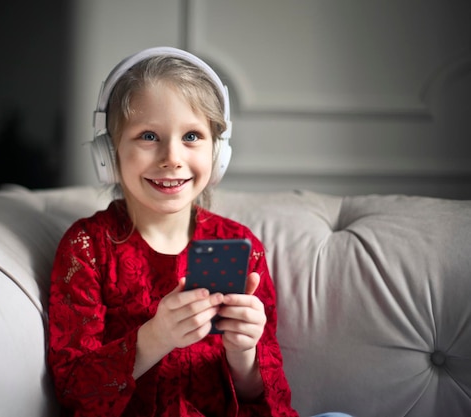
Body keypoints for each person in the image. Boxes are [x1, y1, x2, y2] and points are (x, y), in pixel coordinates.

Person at [47, 47, 350, 417]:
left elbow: (264, 396)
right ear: (109, 154)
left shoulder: (241, 246)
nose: (171, 157)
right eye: (148, 136)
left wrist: (244, 354)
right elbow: (73, 390)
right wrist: (154, 338)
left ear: (217, 154)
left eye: (191, 136)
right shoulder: (88, 247)